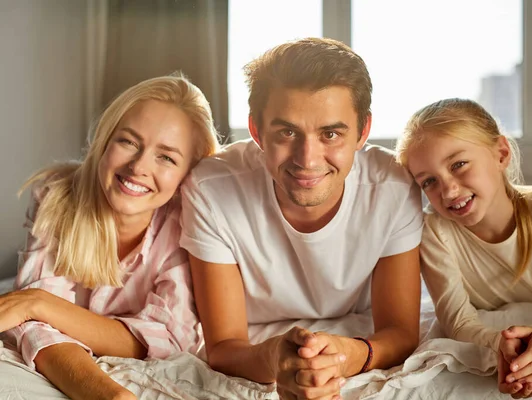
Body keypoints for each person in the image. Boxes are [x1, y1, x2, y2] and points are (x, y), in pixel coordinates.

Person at [180, 37, 423, 400]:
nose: (307, 159)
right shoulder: (211, 188)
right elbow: (224, 347)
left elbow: (400, 332)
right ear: (257, 131)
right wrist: (276, 360)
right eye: (287, 132)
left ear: (363, 132)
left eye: (331, 134)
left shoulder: (392, 186)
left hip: (353, 336)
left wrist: (343, 357)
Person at [0, 74, 220, 400]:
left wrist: (39, 304)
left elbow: (167, 339)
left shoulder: (190, 226)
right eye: (128, 141)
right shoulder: (56, 197)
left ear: (188, 173)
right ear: (105, 140)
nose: (138, 167)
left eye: (167, 157)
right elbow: (30, 325)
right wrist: (110, 394)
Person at [397, 98, 532, 399]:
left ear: (501, 153)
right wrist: (501, 345)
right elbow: (459, 322)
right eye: (429, 181)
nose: (449, 190)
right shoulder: (435, 232)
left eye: (458, 164)